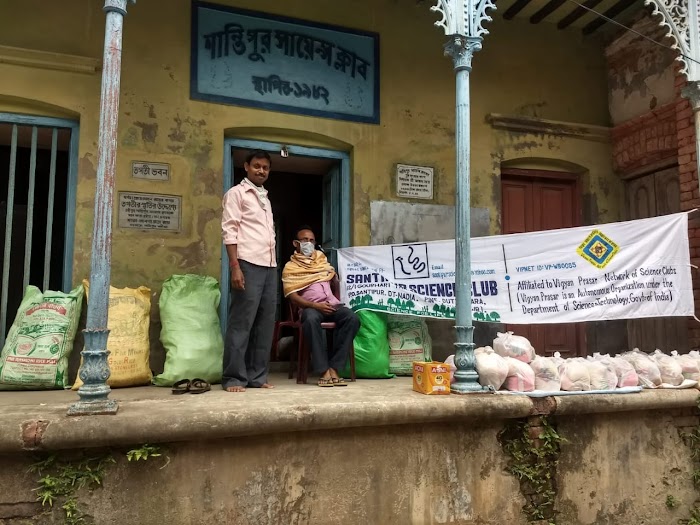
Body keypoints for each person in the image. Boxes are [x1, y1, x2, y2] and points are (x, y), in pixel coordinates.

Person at [221, 150, 277, 392]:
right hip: (247, 263)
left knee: (265, 323)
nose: (261, 170)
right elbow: (230, 231)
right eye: (256, 166)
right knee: (241, 322)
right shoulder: (236, 194)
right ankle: (234, 377)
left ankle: (257, 376)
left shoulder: (266, 197)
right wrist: (235, 267)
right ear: (246, 167)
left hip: (270, 265)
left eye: (265, 167)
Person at [282, 226, 360, 387]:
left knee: (352, 318)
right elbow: (292, 296)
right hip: (310, 307)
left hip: (331, 305)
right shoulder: (291, 267)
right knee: (310, 320)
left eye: (311, 240)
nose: (308, 243)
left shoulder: (322, 261)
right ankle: (323, 370)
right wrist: (315, 305)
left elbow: (332, 277)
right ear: (295, 243)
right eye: (304, 240)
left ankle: (335, 368)